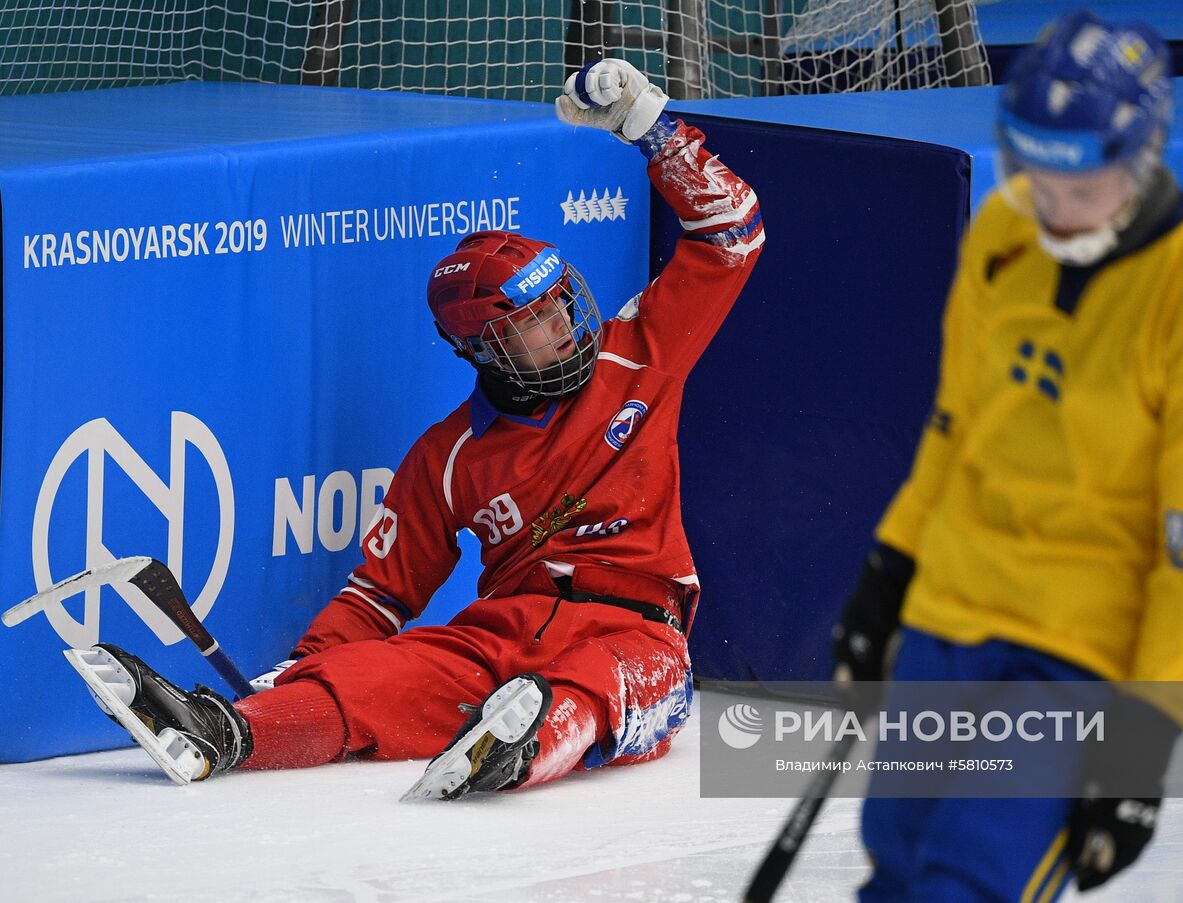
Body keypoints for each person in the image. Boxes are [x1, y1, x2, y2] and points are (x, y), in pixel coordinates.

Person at [68, 58, 763, 799]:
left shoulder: (638, 352)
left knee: (598, 685)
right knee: (366, 676)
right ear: (481, 346)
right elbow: (377, 600)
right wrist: (300, 672)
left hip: (636, 631)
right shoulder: (447, 457)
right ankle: (225, 733)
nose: (563, 322)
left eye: (560, 301)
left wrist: (651, 129)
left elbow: (732, 235)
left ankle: (526, 739)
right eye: (534, 321)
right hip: (499, 636)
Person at [831, 10, 1183, 900]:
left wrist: (1142, 738)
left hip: (1078, 656)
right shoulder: (1005, 236)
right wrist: (890, 569)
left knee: (969, 878)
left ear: (1143, 155)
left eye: (1078, 186)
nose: (1050, 209)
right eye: (1031, 173)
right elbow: (957, 429)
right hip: (953, 613)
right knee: (897, 853)